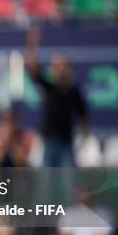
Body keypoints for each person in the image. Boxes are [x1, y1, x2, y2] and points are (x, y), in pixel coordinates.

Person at [25, 29, 88, 167]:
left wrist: (84, 140)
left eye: (64, 66)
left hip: (67, 142)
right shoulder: (49, 87)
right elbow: (33, 69)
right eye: (58, 66)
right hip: (49, 142)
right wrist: (33, 46)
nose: (61, 69)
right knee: (48, 182)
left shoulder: (74, 91)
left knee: (69, 180)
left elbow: (83, 116)